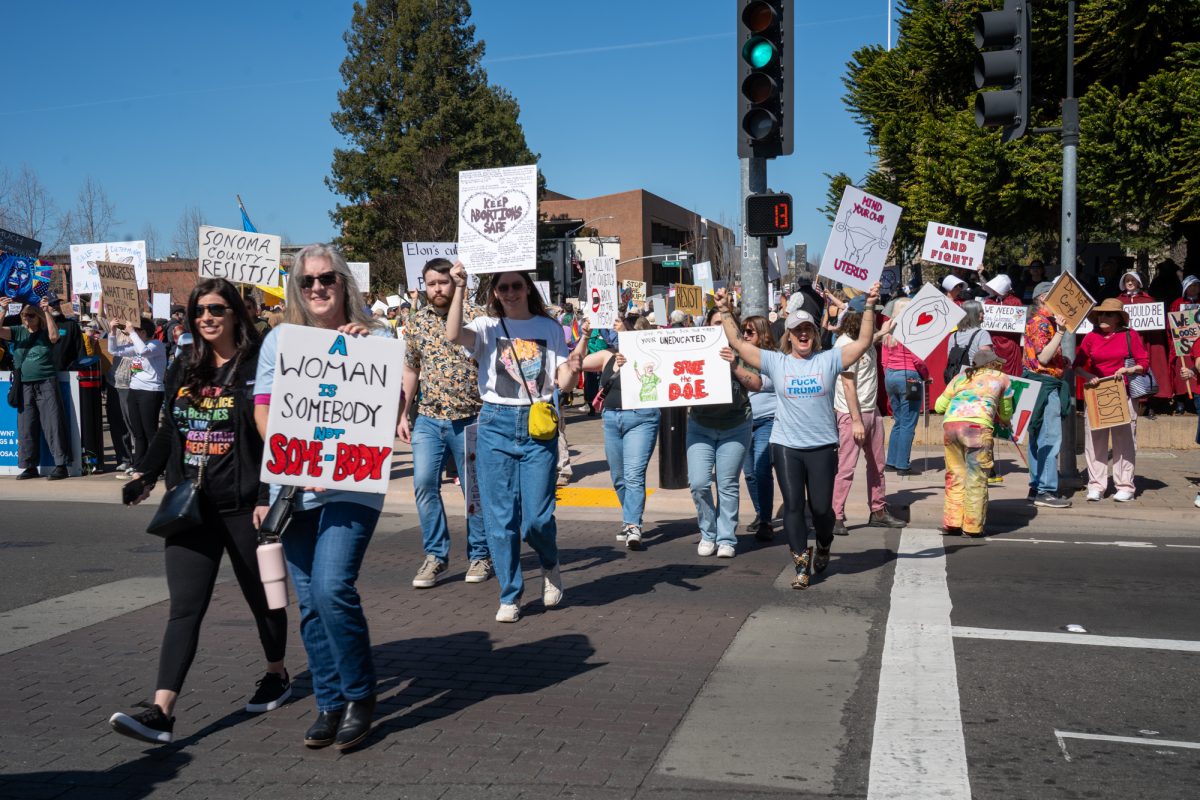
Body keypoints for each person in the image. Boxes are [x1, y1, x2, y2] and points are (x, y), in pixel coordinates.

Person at [108, 279, 290, 745]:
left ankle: (276, 672)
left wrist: (269, 496)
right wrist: (145, 476)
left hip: (245, 504)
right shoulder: (184, 366)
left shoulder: (259, 366)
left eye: (216, 309)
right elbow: (170, 431)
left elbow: (276, 436)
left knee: (263, 599)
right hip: (191, 506)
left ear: (235, 314)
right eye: (198, 311)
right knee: (184, 609)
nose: (206, 317)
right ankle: (162, 712)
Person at [254, 243, 392, 751]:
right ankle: (329, 702)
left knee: (334, 587)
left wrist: (366, 348)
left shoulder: (378, 336)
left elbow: (392, 400)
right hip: (292, 485)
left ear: (344, 283)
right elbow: (264, 411)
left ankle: (360, 696)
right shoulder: (279, 342)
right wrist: (297, 460)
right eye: (308, 280)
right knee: (310, 601)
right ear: (296, 286)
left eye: (327, 278)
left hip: (351, 483)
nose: (318, 287)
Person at [445, 263, 588, 624]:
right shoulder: (486, 327)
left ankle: (550, 562)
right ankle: (510, 594)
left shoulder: (549, 328)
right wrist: (459, 286)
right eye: (503, 287)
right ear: (494, 292)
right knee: (499, 519)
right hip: (494, 422)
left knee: (536, 520)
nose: (510, 292)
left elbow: (563, 382)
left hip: (537, 423)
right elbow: (451, 335)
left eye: (516, 286)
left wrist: (574, 363)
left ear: (528, 289)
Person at [716, 282, 882, 590]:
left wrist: (870, 305)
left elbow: (862, 342)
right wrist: (726, 310)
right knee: (792, 505)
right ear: (789, 335)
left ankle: (824, 542)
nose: (803, 333)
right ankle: (800, 564)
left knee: (821, 509)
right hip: (786, 445)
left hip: (822, 446)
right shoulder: (776, 362)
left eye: (807, 328)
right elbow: (739, 344)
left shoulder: (828, 359)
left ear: (814, 334)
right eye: (797, 330)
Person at [398, 257, 491, 588]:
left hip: (472, 418)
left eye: (443, 282)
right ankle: (435, 556)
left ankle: (480, 555)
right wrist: (402, 413)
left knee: (474, 491)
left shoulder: (477, 317)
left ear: (455, 282)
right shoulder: (416, 321)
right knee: (423, 483)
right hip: (428, 418)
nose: (437, 289)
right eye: (431, 284)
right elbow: (411, 368)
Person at [688, 305, 758, 560]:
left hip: (735, 425)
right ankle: (708, 533)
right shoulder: (695, 349)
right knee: (698, 483)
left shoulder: (742, 351)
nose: (719, 328)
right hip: (700, 426)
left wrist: (734, 367)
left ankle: (726, 537)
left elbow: (757, 383)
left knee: (727, 484)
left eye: (724, 323)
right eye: (714, 323)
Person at [582, 322, 659, 550]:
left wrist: (629, 342)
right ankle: (630, 519)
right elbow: (578, 363)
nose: (619, 333)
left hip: (642, 418)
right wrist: (584, 337)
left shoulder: (650, 356)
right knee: (618, 476)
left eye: (626, 330)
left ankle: (633, 525)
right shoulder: (608, 356)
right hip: (612, 419)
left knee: (634, 474)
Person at [831, 306, 905, 535]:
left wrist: (882, 333)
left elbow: (867, 340)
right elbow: (848, 384)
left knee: (877, 465)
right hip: (852, 413)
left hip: (871, 410)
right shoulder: (844, 345)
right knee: (846, 467)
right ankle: (836, 516)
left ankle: (878, 510)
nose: (872, 323)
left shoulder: (862, 340)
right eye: (870, 320)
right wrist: (855, 421)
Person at [1074, 298, 1148, 503]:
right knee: (1094, 440)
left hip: (1124, 393)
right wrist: (1088, 376)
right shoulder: (1091, 337)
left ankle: (1125, 485)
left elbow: (1144, 363)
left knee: (1124, 440)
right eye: (1100, 314)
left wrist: (1128, 369)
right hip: (1097, 393)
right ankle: (1096, 485)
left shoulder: (1129, 335)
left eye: (1108, 314)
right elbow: (1077, 365)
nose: (1103, 317)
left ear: (1118, 318)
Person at [934, 349, 1013, 537]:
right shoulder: (1002, 378)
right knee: (976, 478)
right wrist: (1003, 418)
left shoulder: (960, 378)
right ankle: (972, 526)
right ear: (992, 364)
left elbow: (938, 407)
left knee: (955, 476)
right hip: (977, 428)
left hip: (951, 427)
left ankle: (952, 523)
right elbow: (1006, 411)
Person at [0, 296, 70, 479]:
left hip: (46, 382)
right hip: (24, 385)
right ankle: (29, 466)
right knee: (26, 426)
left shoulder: (45, 331)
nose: (26, 319)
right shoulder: (18, 331)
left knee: (53, 423)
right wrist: (3, 310)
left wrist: (46, 312)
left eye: (31, 315)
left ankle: (60, 464)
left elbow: (54, 337)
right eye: (24, 316)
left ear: (38, 317)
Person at [1021, 281, 1073, 508]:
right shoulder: (1042, 323)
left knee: (1037, 437)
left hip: (1038, 384)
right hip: (1045, 386)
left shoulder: (1040, 321)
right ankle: (1046, 490)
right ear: (1043, 298)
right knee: (1049, 438)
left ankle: (1037, 486)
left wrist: (1062, 362)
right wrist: (1061, 332)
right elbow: (1043, 358)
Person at [108, 317, 168, 470]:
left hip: (151, 392)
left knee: (150, 431)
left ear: (143, 332)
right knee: (138, 432)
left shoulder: (156, 344)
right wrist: (112, 332)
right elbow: (113, 350)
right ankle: (139, 465)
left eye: (135, 330)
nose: (130, 333)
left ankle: (157, 465)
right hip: (134, 390)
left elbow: (143, 351)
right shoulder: (136, 344)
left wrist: (132, 332)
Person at [738, 315, 779, 541]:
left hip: (767, 420)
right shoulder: (737, 358)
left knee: (762, 469)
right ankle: (760, 512)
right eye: (743, 331)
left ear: (762, 334)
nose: (745, 335)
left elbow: (767, 384)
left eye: (750, 332)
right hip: (744, 422)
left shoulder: (773, 359)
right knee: (750, 473)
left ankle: (765, 520)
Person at [881, 298, 927, 475]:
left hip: (891, 376)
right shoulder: (911, 330)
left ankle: (891, 461)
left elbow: (884, 359)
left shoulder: (888, 329)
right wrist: (926, 375)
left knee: (899, 420)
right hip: (910, 377)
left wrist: (889, 376)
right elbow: (918, 360)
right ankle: (902, 464)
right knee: (909, 421)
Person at [1118, 271, 1171, 419]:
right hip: (1125, 342)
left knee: (1148, 369)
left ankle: (1149, 405)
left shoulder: (1148, 301)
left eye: (1132, 280)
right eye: (1127, 280)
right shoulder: (1118, 301)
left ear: (1138, 282)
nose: (1130, 283)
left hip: (1144, 342)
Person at [982, 274, 1025, 376]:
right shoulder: (989, 301)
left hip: (1011, 344)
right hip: (994, 342)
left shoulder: (1015, 302)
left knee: (1011, 374)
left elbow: (1019, 322)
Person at [1169, 275, 1200, 415]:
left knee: (1195, 371)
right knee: (1181, 371)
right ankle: (1180, 400)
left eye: (1196, 286)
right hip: (1182, 343)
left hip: (1198, 343)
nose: (1193, 289)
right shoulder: (1177, 303)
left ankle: (1194, 400)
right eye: (1191, 286)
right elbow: (1171, 322)